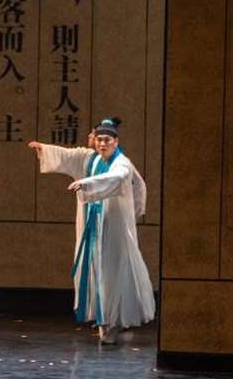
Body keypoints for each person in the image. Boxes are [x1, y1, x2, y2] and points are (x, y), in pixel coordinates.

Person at [28, 116, 156, 344]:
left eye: (107, 140)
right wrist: (46, 150)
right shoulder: (92, 159)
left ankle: (114, 321)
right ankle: (103, 318)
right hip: (94, 224)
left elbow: (118, 178)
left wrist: (88, 183)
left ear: (116, 141)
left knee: (113, 271)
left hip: (113, 225)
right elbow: (70, 155)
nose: (102, 143)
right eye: (99, 139)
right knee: (96, 269)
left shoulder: (122, 163)